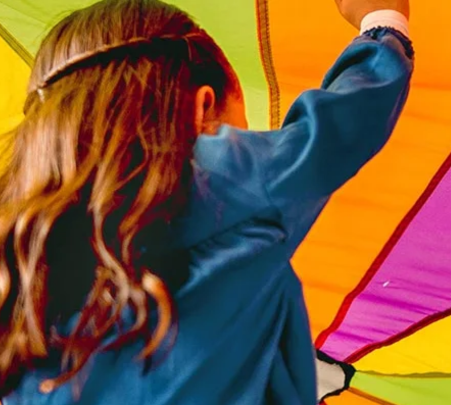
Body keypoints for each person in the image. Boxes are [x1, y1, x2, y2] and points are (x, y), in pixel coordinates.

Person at [0, 0, 412, 403]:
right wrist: (382, 22)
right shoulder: (211, 179)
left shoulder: (18, 243)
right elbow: (340, 125)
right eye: (244, 127)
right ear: (204, 108)